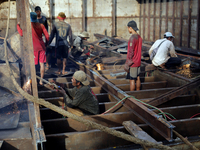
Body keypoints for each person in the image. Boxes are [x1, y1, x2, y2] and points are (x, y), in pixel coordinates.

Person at [17, 12, 49, 85]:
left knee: (33, 65)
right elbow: (47, 36)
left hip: (33, 48)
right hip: (42, 47)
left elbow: (21, 34)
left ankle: (33, 80)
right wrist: (46, 44)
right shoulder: (41, 25)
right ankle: (41, 81)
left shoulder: (28, 26)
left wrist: (18, 26)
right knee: (42, 64)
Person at [124, 20, 142, 91]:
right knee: (137, 78)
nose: (128, 30)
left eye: (128, 28)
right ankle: (138, 93)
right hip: (138, 62)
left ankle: (132, 97)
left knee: (132, 80)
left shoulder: (132, 38)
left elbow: (131, 52)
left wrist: (127, 63)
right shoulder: (139, 37)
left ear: (130, 28)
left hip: (133, 63)